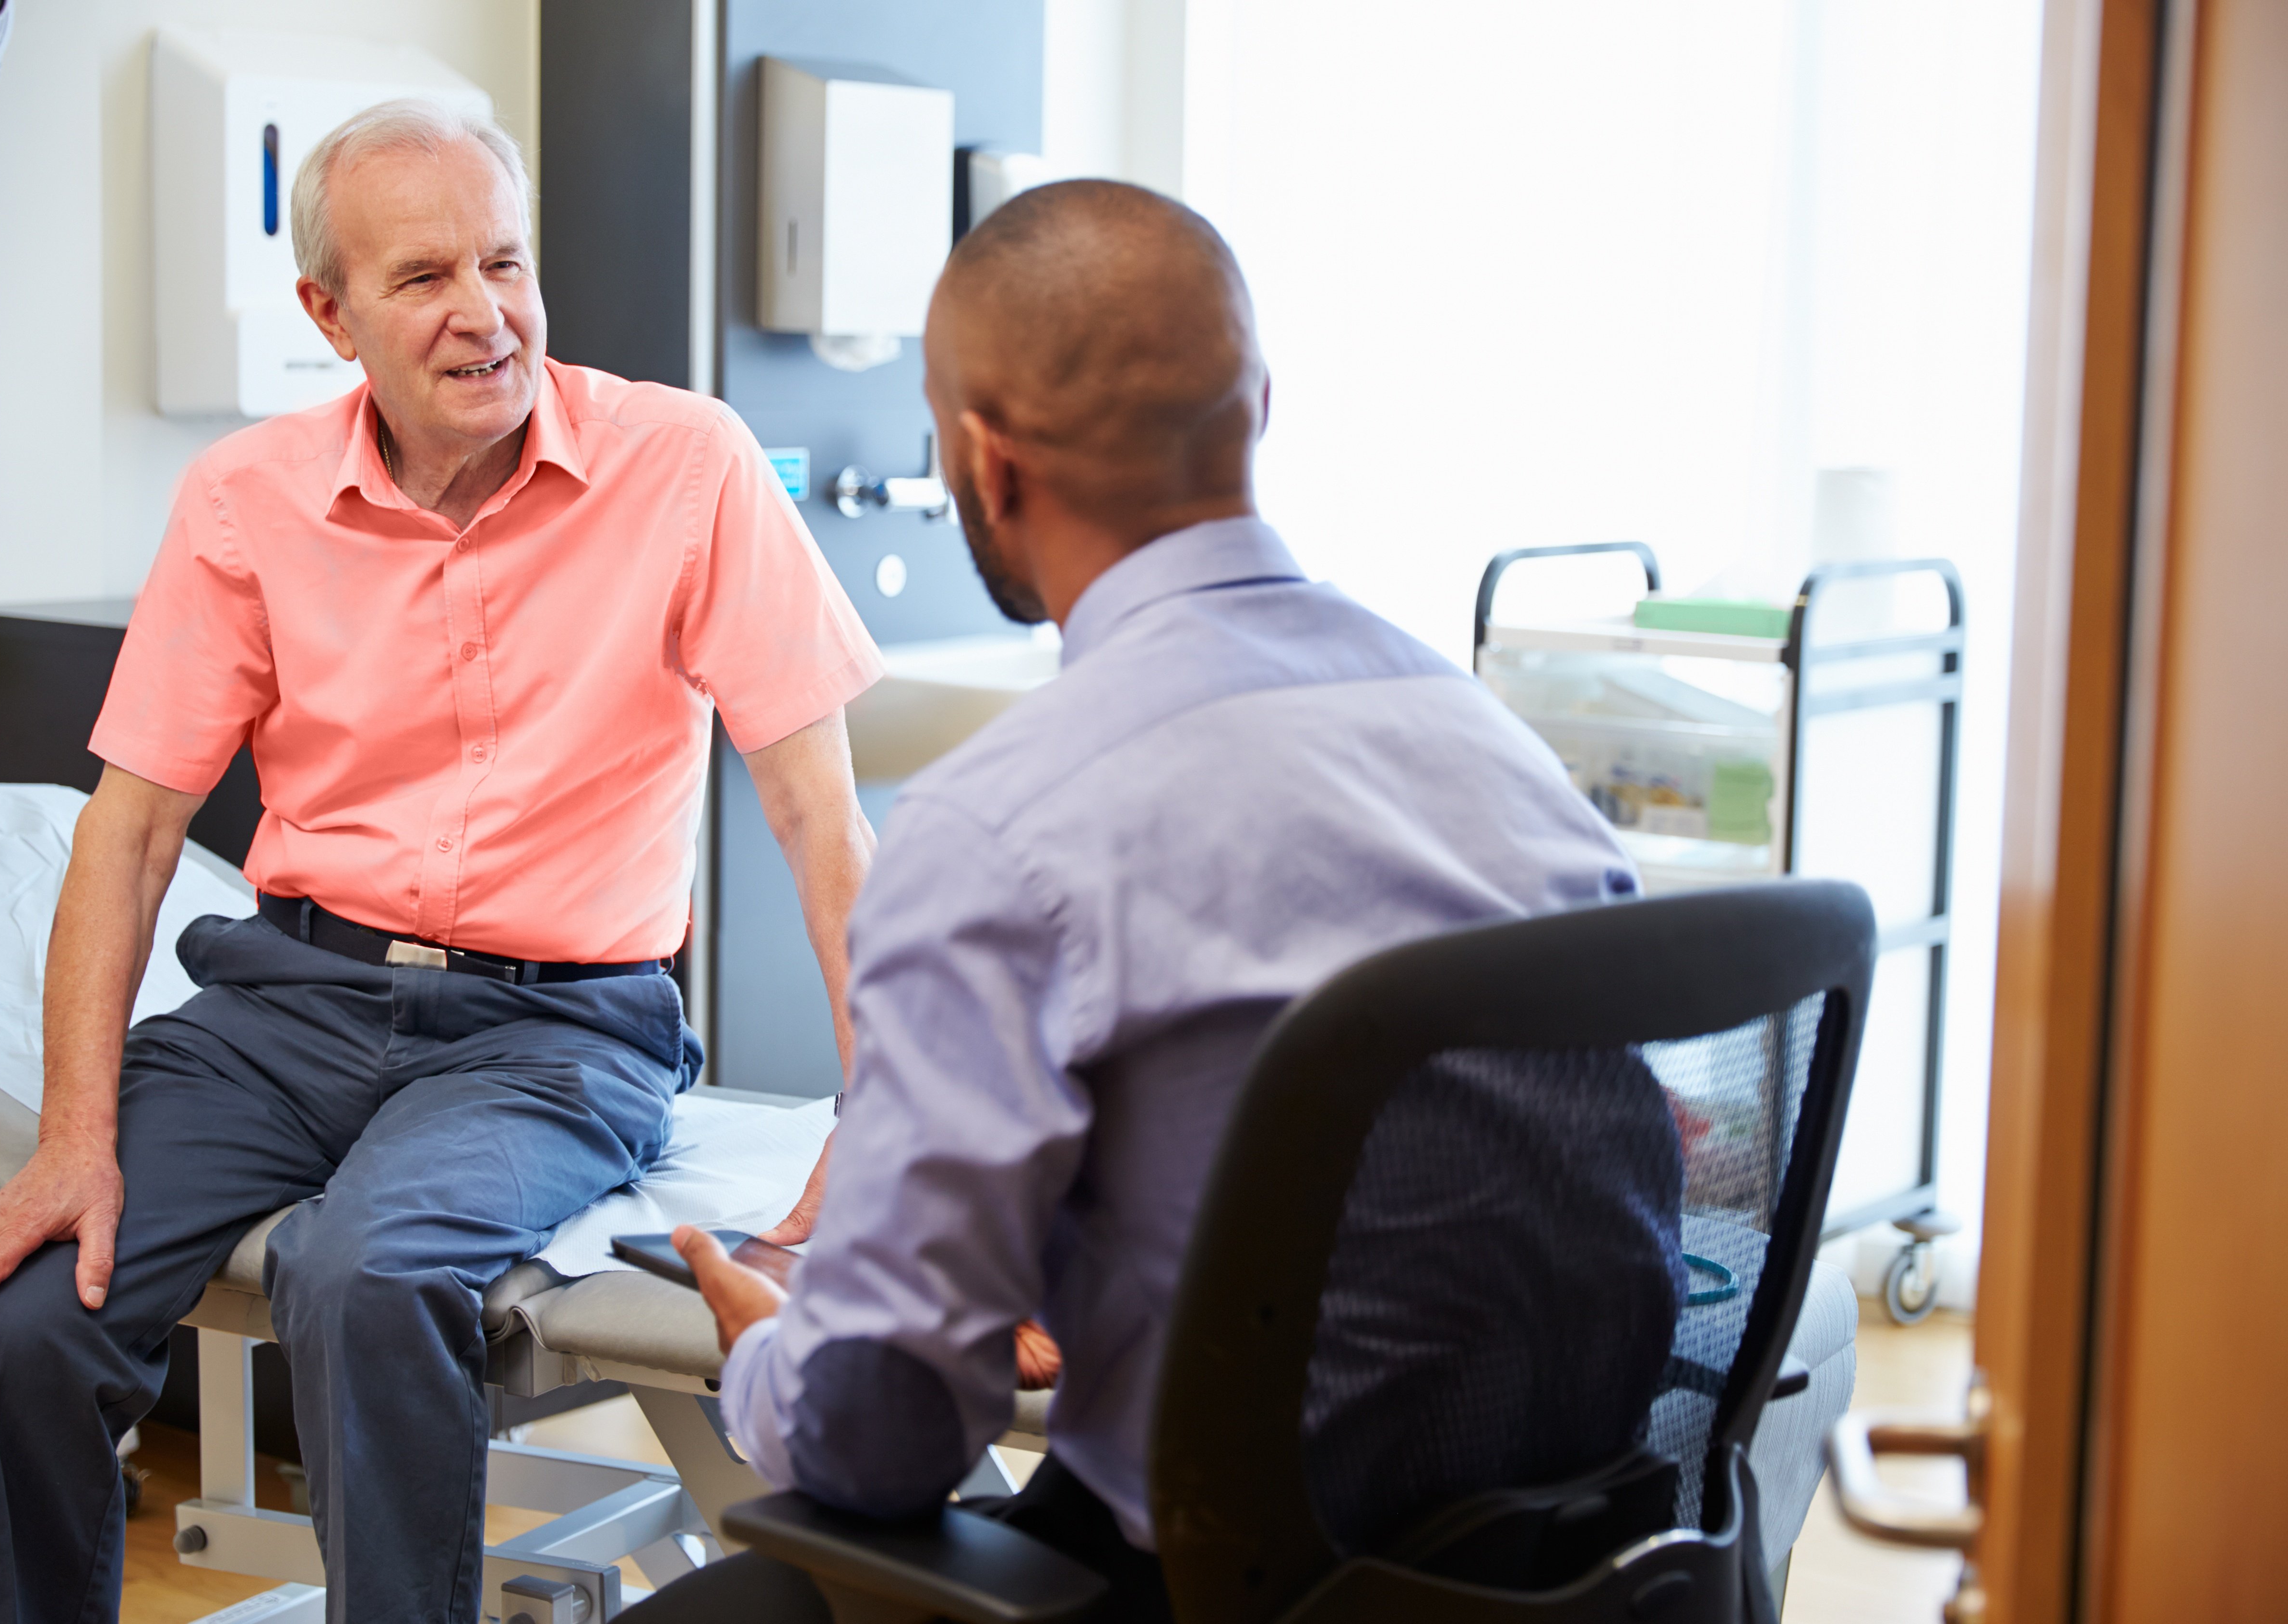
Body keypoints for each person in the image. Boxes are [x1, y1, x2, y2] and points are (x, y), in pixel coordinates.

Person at [619, 179, 1643, 1624]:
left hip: (1215, 1584)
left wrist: (772, 1358)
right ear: (1261, 406)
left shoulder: (998, 829)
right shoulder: (1500, 753)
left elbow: (890, 1434)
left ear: (982, 456)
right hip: (1558, 1567)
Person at [0, 101, 881, 1624]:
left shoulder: (686, 468)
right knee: (31, 1322)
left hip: (557, 1031)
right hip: (285, 1004)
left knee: (365, 1277)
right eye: (428, 275)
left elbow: (822, 821)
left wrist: (887, 1104)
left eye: (506, 261)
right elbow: (129, 830)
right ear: (331, 311)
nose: (486, 313)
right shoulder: (248, 501)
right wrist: (71, 1135)